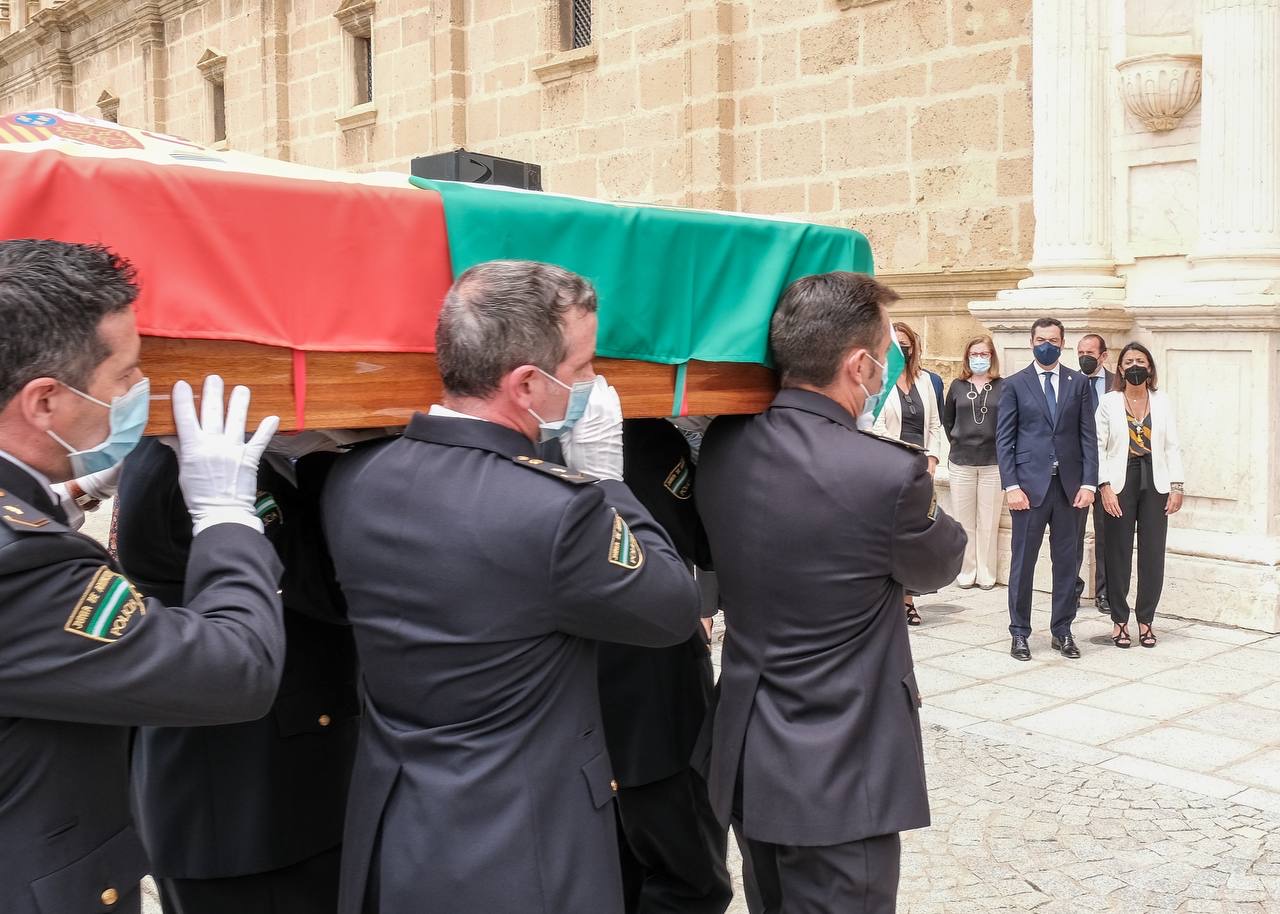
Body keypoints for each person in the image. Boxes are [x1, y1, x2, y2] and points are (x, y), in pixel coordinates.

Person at [322, 260, 701, 914]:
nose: (593, 384)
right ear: (527, 384)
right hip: (524, 857)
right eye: (582, 370)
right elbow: (671, 606)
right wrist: (609, 483)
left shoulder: (353, 482)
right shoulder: (559, 512)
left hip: (400, 840)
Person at [0, 239, 286, 914]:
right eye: (126, 376)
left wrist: (51, 496)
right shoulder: (20, 561)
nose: (141, 393)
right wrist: (226, 515)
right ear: (44, 402)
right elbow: (234, 670)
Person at [695, 272, 965, 914]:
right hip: (846, 772)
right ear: (859, 365)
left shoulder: (722, 447)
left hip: (751, 755)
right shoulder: (886, 474)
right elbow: (940, 563)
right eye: (882, 358)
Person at [115, 435, 360, 914]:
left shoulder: (197, 452)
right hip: (249, 811)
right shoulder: (194, 467)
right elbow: (327, 591)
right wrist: (331, 458)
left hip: (255, 793)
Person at [598, 419, 731, 914]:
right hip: (654, 695)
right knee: (689, 879)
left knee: (614, 876)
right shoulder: (650, 440)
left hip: (578, 705)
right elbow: (705, 543)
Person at [995, 317, 1098, 661]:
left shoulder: (1078, 383)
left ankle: (1062, 630)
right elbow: (1005, 439)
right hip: (1028, 488)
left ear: (1062, 342)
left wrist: (1088, 483)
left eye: (1053, 340)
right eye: (1041, 339)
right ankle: (1020, 632)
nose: (1047, 345)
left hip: (1070, 490)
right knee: (1023, 562)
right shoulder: (1013, 384)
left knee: (1067, 563)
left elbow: (1088, 437)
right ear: (1031, 342)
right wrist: (1011, 485)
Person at [1097, 343, 1184, 648]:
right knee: (1118, 551)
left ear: (1150, 368)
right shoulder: (1109, 402)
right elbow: (1099, 446)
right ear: (1120, 369)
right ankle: (1119, 620)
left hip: (1156, 482)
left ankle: (1146, 619)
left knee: (1152, 554)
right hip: (1121, 481)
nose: (1134, 366)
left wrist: (1177, 486)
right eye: (1128, 361)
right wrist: (1104, 486)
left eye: (1140, 361)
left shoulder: (1162, 401)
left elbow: (1172, 445)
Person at [873, 320, 944, 625]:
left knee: (915, 538)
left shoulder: (926, 380)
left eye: (907, 343)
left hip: (921, 469)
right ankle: (885, 601)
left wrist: (932, 458)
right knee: (887, 537)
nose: (902, 347)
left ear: (914, 347)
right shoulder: (879, 381)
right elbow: (873, 425)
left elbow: (935, 425)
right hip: (890, 467)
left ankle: (909, 601)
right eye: (896, 343)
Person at [942, 335, 1004, 590]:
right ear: (967, 357)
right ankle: (967, 570)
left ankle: (987, 572)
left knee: (989, 521)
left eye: (984, 354)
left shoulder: (1003, 386)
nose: (979, 359)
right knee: (964, 520)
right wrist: (959, 442)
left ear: (992, 357)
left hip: (993, 461)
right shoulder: (957, 386)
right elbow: (948, 421)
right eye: (974, 354)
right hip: (962, 461)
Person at [1075, 333, 1115, 613]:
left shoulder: (1119, 384)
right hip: (1076, 471)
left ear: (1104, 355)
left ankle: (1104, 592)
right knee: (1072, 534)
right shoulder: (1070, 382)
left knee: (1106, 535)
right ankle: (1071, 588)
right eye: (1080, 352)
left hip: (1108, 471)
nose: (1084, 357)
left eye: (1090, 352)